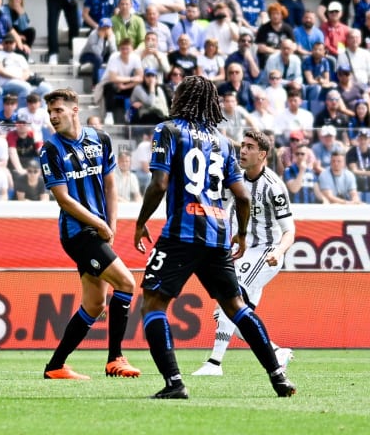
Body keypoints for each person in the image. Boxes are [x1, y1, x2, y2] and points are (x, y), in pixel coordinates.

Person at [134, 75, 296, 399]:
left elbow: (159, 184)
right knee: (236, 305)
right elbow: (243, 196)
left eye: (178, 91)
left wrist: (140, 222)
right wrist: (240, 234)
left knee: (153, 303)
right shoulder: (223, 141)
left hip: (181, 233)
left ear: (182, 98)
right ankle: (277, 376)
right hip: (218, 234)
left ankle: (174, 383)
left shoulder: (169, 130)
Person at [38, 88, 141, 381]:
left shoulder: (100, 139)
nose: (53, 117)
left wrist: (112, 226)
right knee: (126, 283)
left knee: (95, 305)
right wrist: (100, 224)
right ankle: (115, 359)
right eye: (50, 112)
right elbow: (63, 199)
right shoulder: (51, 149)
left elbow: (111, 186)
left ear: (74, 109)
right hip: (77, 233)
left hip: (98, 230)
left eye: (58, 110)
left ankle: (55, 366)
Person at [193, 129, 295, 377]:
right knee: (231, 312)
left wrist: (279, 252)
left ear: (262, 154)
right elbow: (220, 206)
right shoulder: (235, 178)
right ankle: (275, 352)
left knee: (231, 301)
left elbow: (290, 230)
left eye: (250, 147)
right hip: (241, 252)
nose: (244, 150)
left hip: (266, 252)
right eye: (243, 145)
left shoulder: (274, 187)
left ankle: (214, 363)